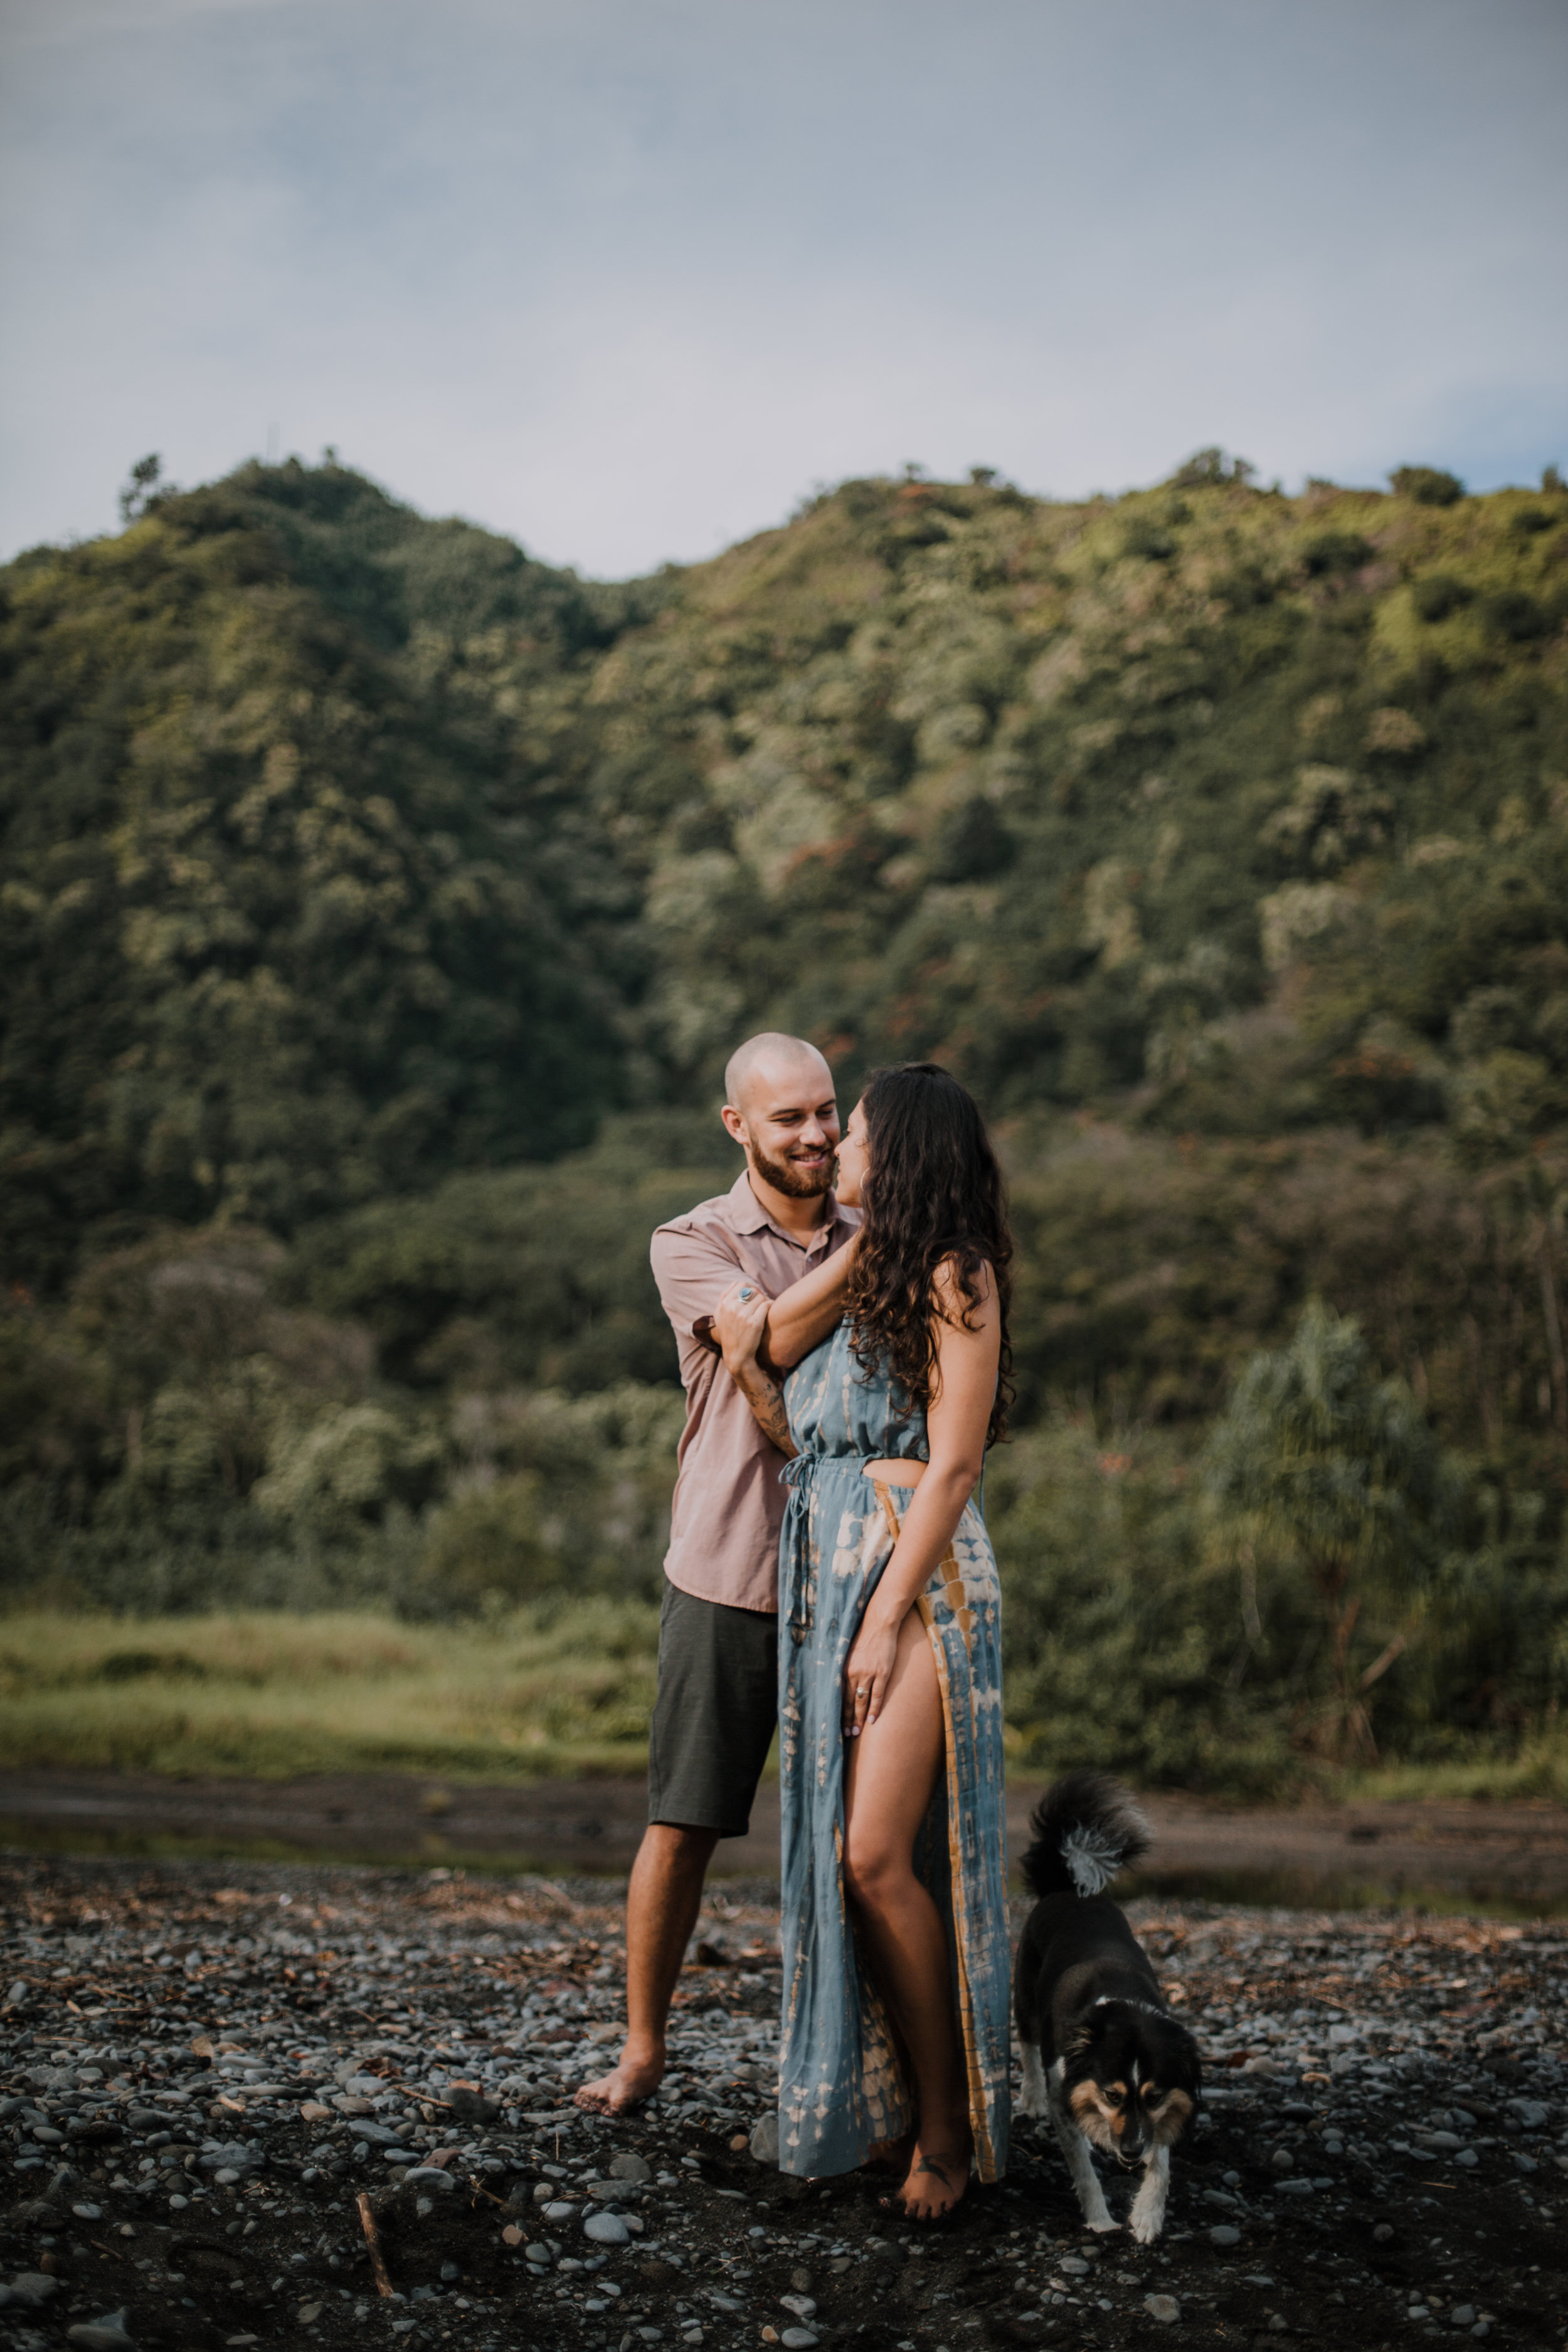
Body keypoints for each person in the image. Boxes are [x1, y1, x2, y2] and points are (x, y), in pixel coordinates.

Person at [715, 1062, 1012, 2220]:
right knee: (854, 1856)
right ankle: (894, 2111)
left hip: (915, 1575)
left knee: (875, 1855)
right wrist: (749, 1356)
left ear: (905, 1154)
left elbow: (955, 1465)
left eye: (860, 1137)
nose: (837, 1150)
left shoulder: (957, 1275)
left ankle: (950, 2128)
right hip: (832, 1572)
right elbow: (782, 1357)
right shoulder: (882, 1266)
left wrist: (886, 1615)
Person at [576, 1032, 861, 2117]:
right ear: (738, 1126)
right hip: (730, 1565)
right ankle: (644, 2050)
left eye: (828, 1111)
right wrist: (855, 1271)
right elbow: (776, 1347)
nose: (816, 1134)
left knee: (858, 1839)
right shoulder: (690, 1241)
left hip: (855, 1578)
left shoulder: (870, 1229)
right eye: (789, 1117)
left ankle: (858, 2063)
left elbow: (783, 1345)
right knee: (686, 1820)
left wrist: (781, 1326)